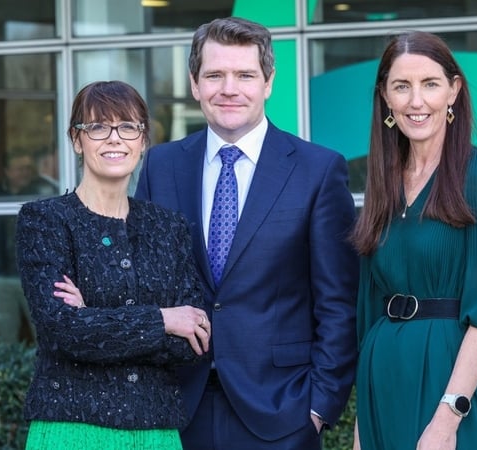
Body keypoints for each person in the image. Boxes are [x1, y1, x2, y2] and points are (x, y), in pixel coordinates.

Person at [135, 16, 359, 450]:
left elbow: (338, 301)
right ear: (195, 83)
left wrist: (317, 409)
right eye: (215, 75)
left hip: (282, 413)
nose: (229, 88)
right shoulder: (161, 165)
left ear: (269, 81)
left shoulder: (317, 170)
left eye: (245, 75)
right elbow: (145, 283)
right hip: (178, 410)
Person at [15, 80, 211, 450]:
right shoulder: (45, 221)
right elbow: (63, 330)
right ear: (77, 140)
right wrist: (163, 320)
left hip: (156, 432)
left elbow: (192, 343)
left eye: (128, 127)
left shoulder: (168, 228)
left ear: (143, 140)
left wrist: (92, 316)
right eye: (98, 127)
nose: (114, 138)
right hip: (70, 429)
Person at [350, 31, 477, 449]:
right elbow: (369, 307)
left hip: (447, 384)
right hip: (382, 381)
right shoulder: (383, 181)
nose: (416, 101)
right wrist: (360, 427)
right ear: (385, 98)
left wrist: (448, 419)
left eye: (430, 84)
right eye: (401, 86)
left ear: (454, 91)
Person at [0, 149, 41, 343]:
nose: (25, 173)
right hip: (0, 274)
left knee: (42, 335)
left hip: (34, 276)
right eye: (19, 169)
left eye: (28, 169)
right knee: (5, 336)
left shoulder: (40, 193)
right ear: (7, 171)